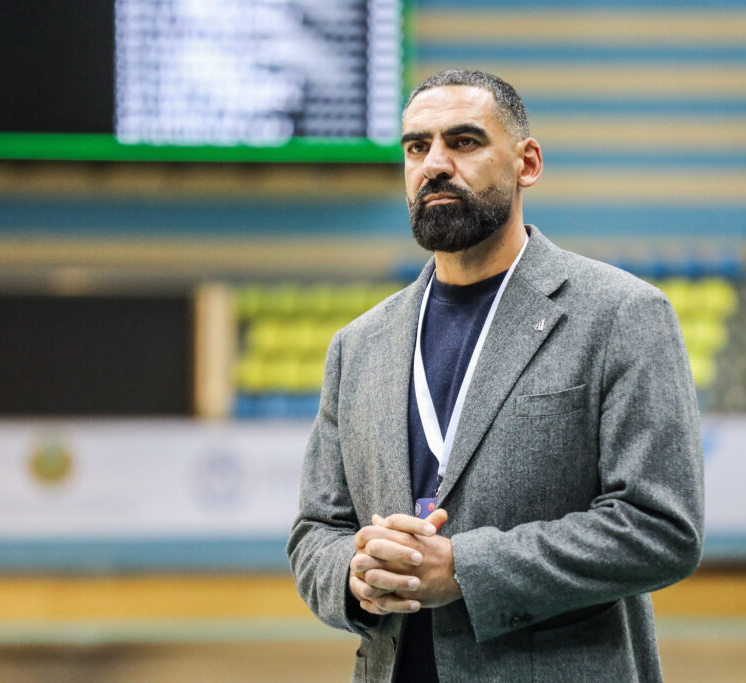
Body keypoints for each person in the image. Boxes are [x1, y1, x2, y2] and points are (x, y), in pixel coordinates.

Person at [287, 69, 704, 683]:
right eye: (416, 147)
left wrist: (464, 569)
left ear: (526, 163)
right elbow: (316, 532)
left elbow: (661, 528)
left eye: (463, 142)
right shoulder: (358, 346)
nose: (434, 164)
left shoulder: (621, 315)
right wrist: (354, 575)